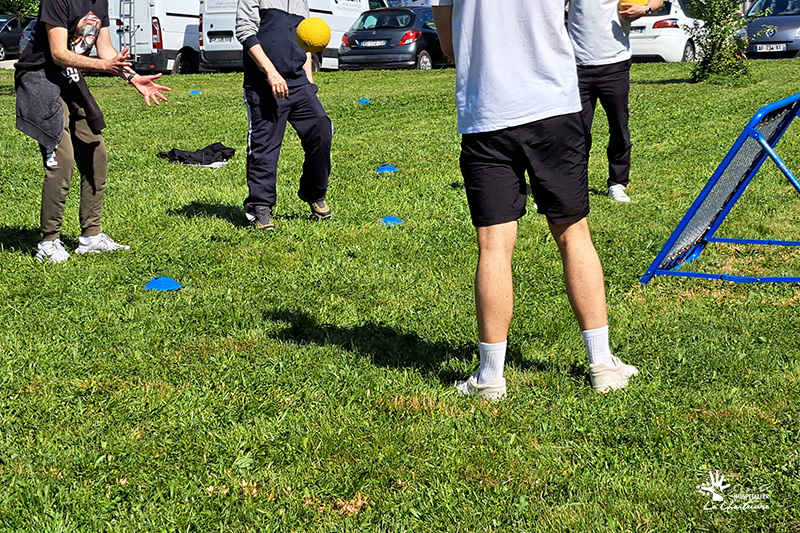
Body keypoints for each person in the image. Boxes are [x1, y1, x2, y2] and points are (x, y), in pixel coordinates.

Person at [431, 0, 638, 400]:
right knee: (574, 235)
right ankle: (602, 365)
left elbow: (448, 43)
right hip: (553, 107)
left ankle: (490, 376)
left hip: (487, 113)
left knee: (494, 246)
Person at [15, 0, 170, 264]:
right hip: (39, 77)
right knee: (62, 159)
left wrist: (133, 78)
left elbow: (106, 50)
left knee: (96, 154)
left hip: (68, 77)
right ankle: (49, 242)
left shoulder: (100, 2)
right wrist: (104, 66)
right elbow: (58, 53)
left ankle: (91, 236)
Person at [235, 0, 333, 231]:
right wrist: (271, 73)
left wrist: (309, 82)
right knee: (264, 148)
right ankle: (260, 207)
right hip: (264, 86)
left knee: (321, 130)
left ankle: (314, 193)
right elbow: (245, 33)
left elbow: (305, 43)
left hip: (299, 85)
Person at [567, 0, 663, 203]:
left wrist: (644, 9)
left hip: (615, 64)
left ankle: (617, 183)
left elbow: (657, 1)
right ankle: (573, 184)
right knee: (576, 131)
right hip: (577, 65)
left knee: (619, 127)